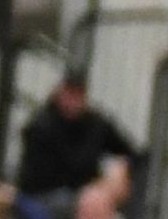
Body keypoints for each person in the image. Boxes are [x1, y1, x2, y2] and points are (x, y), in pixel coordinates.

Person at [16, 71, 137, 202]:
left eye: (78, 95)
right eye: (69, 94)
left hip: (85, 195)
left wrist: (118, 171)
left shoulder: (97, 125)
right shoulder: (41, 127)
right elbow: (38, 177)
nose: (73, 102)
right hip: (46, 195)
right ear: (60, 94)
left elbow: (127, 152)